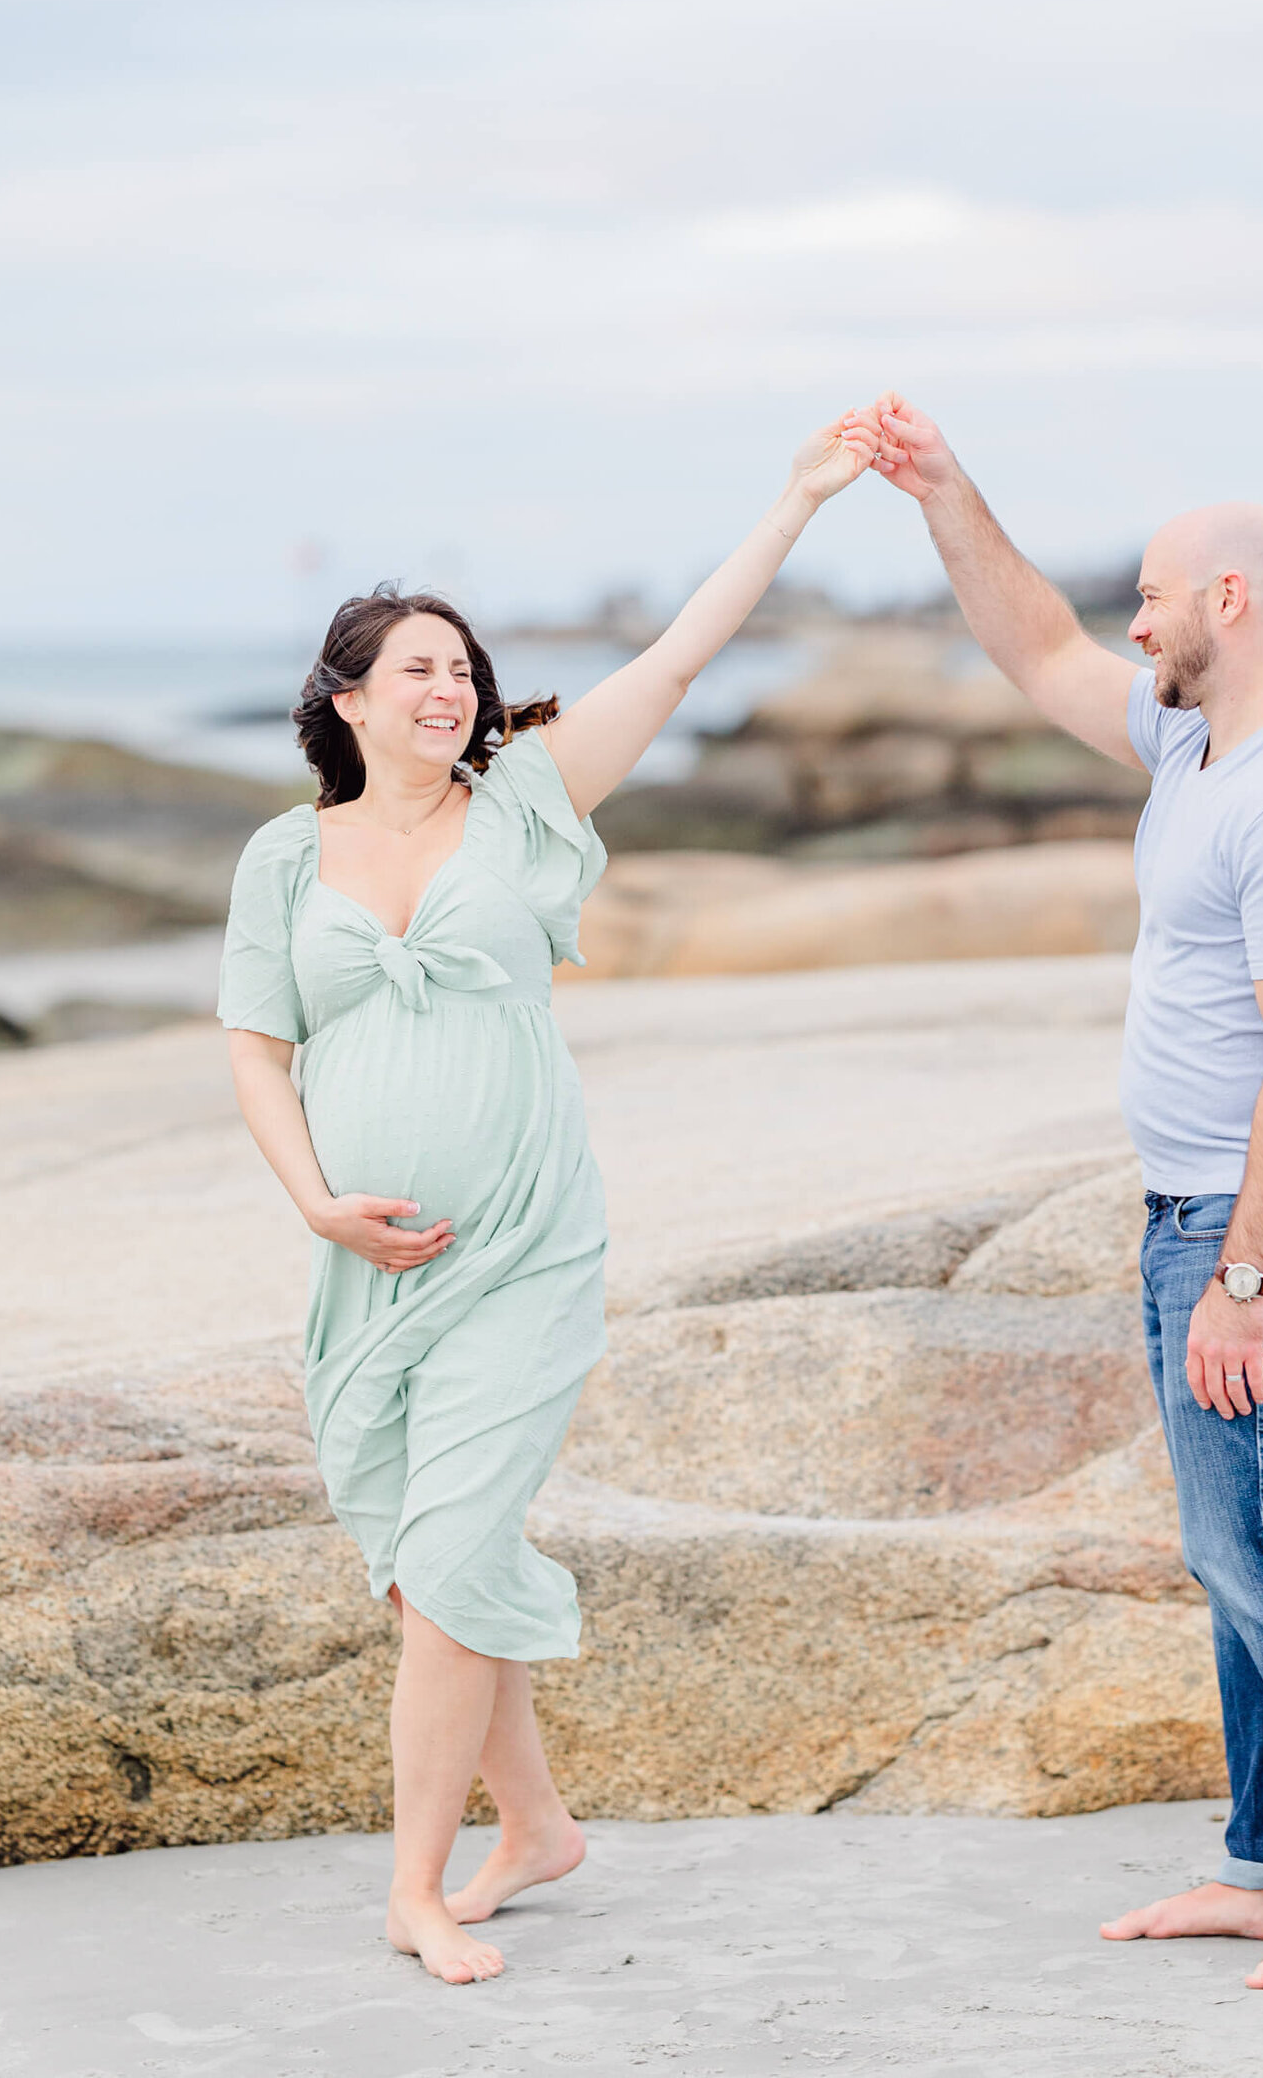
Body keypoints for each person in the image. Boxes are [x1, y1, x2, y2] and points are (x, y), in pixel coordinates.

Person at [218, 406, 881, 1985]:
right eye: (418, 671)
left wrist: (794, 501)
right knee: (418, 1555)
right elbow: (254, 1047)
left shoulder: (526, 803)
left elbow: (676, 656)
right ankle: (538, 1831)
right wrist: (316, 1205)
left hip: (519, 1246)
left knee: (446, 1556)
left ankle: (417, 1890)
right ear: (348, 700)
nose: (450, 689)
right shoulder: (282, 861)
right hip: (367, 1267)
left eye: (464, 667)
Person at [870, 393, 1263, 1996]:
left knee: (1259, 1542)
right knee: (1228, 1543)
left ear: (1231, 603)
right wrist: (944, 494)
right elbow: (1040, 648)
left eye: (1157, 593)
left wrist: (1243, 1278)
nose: (1135, 619)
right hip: (1197, 1213)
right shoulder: (1193, 740)